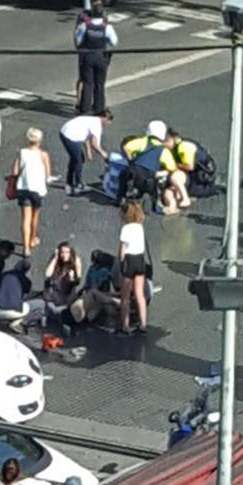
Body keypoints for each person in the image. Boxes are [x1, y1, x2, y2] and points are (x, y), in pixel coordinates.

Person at [11, 127, 51, 256]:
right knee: (35, 216)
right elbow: (48, 175)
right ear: (40, 140)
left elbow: (15, 171)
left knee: (25, 219)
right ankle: (33, 239)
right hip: (37, 190)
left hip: (23, 188)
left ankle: (26, 248)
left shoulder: (22, 152)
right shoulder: (43, 155)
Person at [75, 0, 118, 115]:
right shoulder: (107, 27)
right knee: (100, 84)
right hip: (101, 56)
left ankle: (84, 109)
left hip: (88, 56)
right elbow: (114, 42)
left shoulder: (85, 25)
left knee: (88, 83)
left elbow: (78, 40)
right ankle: (99, 109)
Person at [59, 110, 112, 195]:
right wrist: (104, 155)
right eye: (109, 120)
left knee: (75, 159)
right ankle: (78, 185)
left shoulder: (91, 120)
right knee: (78, 160)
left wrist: (88, 150)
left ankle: (69, 183)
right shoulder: (97, 126)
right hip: (70, 136)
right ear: (105, 118)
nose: (109, 123)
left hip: (65, 131)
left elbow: (86, 135)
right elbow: (94, 144)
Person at [118, 200, 149, 335]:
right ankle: (143, 323)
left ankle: (125, 325)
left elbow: (122, 249)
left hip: (129, 260)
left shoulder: (126, 229)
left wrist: (120, 262)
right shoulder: (139, 227)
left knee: (125, 296)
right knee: (139, 294)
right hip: (140, 260)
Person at [0, 259, 43, 334]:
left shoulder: (4, 274)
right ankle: (18, 322)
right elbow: (26, 295)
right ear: (26, 270)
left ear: (16, 266)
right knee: (40, 304)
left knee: (0, 298)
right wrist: (39, 293)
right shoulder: (26, 280)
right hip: (13, 312)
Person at [44, 241, 83, 307]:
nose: (64, 255)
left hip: (67, 293)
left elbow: (77, 281)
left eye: (67, 252)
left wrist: (72, 278)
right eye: (62, 252)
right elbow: (47, 274)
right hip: (54, 291)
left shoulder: (76, 261)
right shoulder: (56, 260)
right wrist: (55, 258)